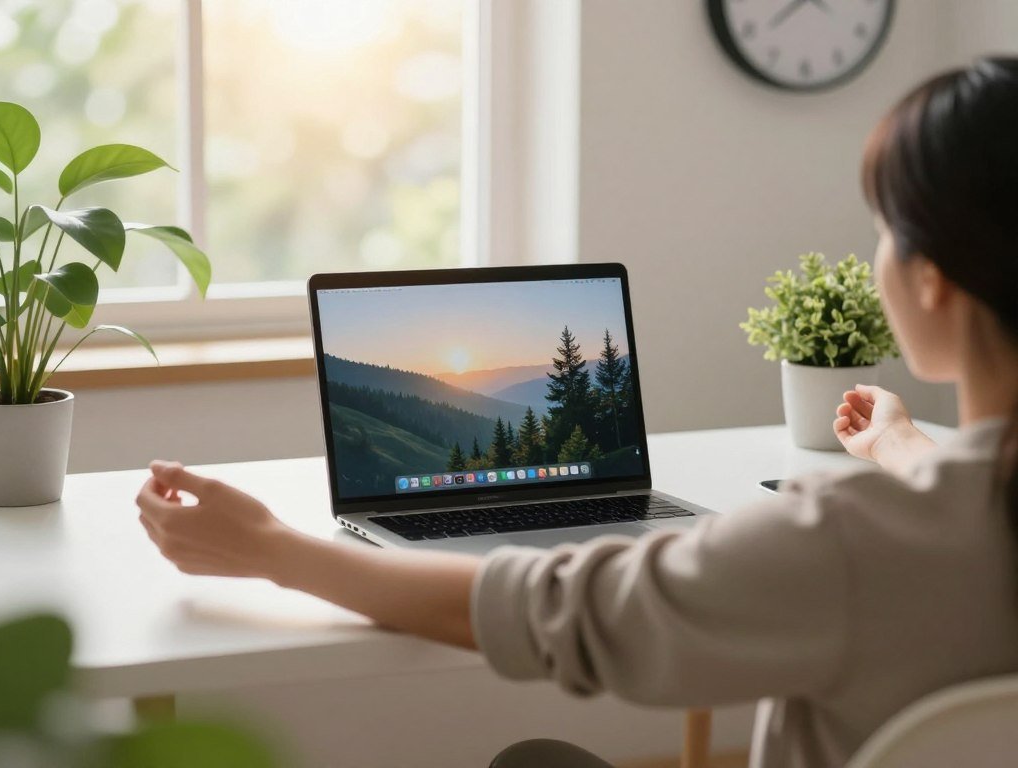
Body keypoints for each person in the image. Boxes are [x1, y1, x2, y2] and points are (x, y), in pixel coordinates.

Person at [136, 58, 1018, 768]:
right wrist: (903, 444)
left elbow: (546, 609)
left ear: (931, 279)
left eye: (882, 230)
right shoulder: (937, 517)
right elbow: (968, 506)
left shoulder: (846, 548)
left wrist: (268, 550)